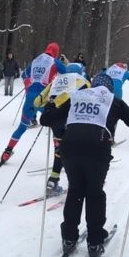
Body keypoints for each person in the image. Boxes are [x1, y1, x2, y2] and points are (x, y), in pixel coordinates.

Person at [40, 73, 129, 257]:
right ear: (109, 89)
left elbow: (46, 120)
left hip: (70, 148)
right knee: (94, 193)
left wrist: (49, 107)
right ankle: (94, 241)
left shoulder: (76, 97)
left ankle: (69, 237)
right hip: (97, 149)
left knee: (75, 191)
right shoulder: (113, 101)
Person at [0, 42, 66, 165]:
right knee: (56, 124)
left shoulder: (36, 60)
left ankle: (7, 151)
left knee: (22, 126)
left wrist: (28, 85)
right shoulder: (54, 61)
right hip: (43, 98)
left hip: (30, 97)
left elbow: (24, 74)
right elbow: (68, 72)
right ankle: (59, 151)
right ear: (56, 52)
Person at [33, 63, 89, 197]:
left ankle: (52, 181)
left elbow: (36, 102)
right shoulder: (82, 81)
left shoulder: (56, 81)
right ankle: (77, 183)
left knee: (59, 151)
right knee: (76, 151)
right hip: (71, 121)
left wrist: (51, 105)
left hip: (53, 121)